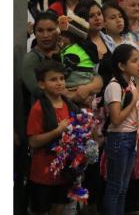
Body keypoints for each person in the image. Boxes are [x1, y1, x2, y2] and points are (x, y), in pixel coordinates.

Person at [103, 44, 139, 215]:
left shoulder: (130, 83)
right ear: (121, 66)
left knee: (124, 187)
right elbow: (116, 119)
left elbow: (133, 113)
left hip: (131, 137)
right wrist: (133, 101)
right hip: (119, 139)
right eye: (134, 61)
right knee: (115, 187)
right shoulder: (114, 86)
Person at [27, 61, 80, 215]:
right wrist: (57, 131)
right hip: (43, 174)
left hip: (64, 173)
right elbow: (33, 141)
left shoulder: (70, 106)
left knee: (59, 208)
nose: (59, 83)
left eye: (62, 78)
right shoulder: (38, 108)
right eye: (53, 79)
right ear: (42, 84)